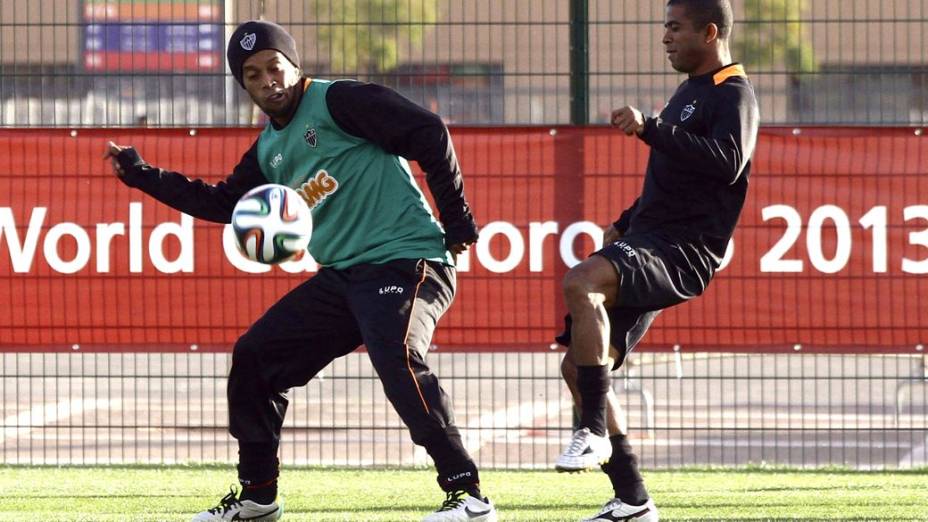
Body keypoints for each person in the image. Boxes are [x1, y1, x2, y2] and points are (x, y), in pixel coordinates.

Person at [104, 20, 497, 522]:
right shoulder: (270, 148)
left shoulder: (340, 101)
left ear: (294, 65)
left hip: (407, 258)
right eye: (252, 74)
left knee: (396, 352)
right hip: (343, 278)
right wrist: (142, 176)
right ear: (243, 85)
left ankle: (470, 497)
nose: (268, 79)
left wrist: (458, 220)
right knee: (255, 358)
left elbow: (428, 131)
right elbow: (223, 202)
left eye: (274, 66)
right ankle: (259, 497)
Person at [554, 1, 759, 520]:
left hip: (681, 251)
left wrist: (650, 128)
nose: (665, 37)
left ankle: (593, 431)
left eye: (675, 27)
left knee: (581, 282)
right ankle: (632, 499)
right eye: (664, 26)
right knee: (578, 366)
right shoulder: (689, 91)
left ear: (710, 32)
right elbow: (674, 178)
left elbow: (726, 163)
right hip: (650, 238)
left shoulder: (733, 93)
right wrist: (626, 219)